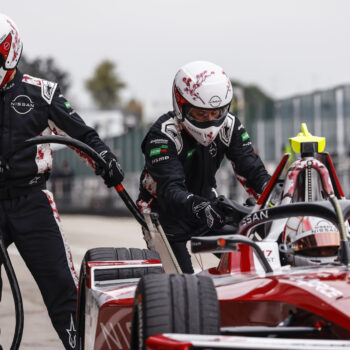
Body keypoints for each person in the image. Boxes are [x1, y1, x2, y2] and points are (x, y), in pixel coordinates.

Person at [0, 14, 124, 350]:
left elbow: (81, 133)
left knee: (62, 287)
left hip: (31, 200)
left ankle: (78, 345)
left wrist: (106, 160)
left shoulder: (42, 92)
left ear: (8, 51)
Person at [137, 60, 271, 273]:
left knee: (254, 263)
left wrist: (276, 194)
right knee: (180, 284)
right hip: (163, 215)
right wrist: (199, 206)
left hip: (208, 208)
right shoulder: (162, 135)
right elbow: (171, 189)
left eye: (216, 113)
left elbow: (252, 170)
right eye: (201, 114)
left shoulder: (230, 126)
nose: (210, 121)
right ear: (181, 105)